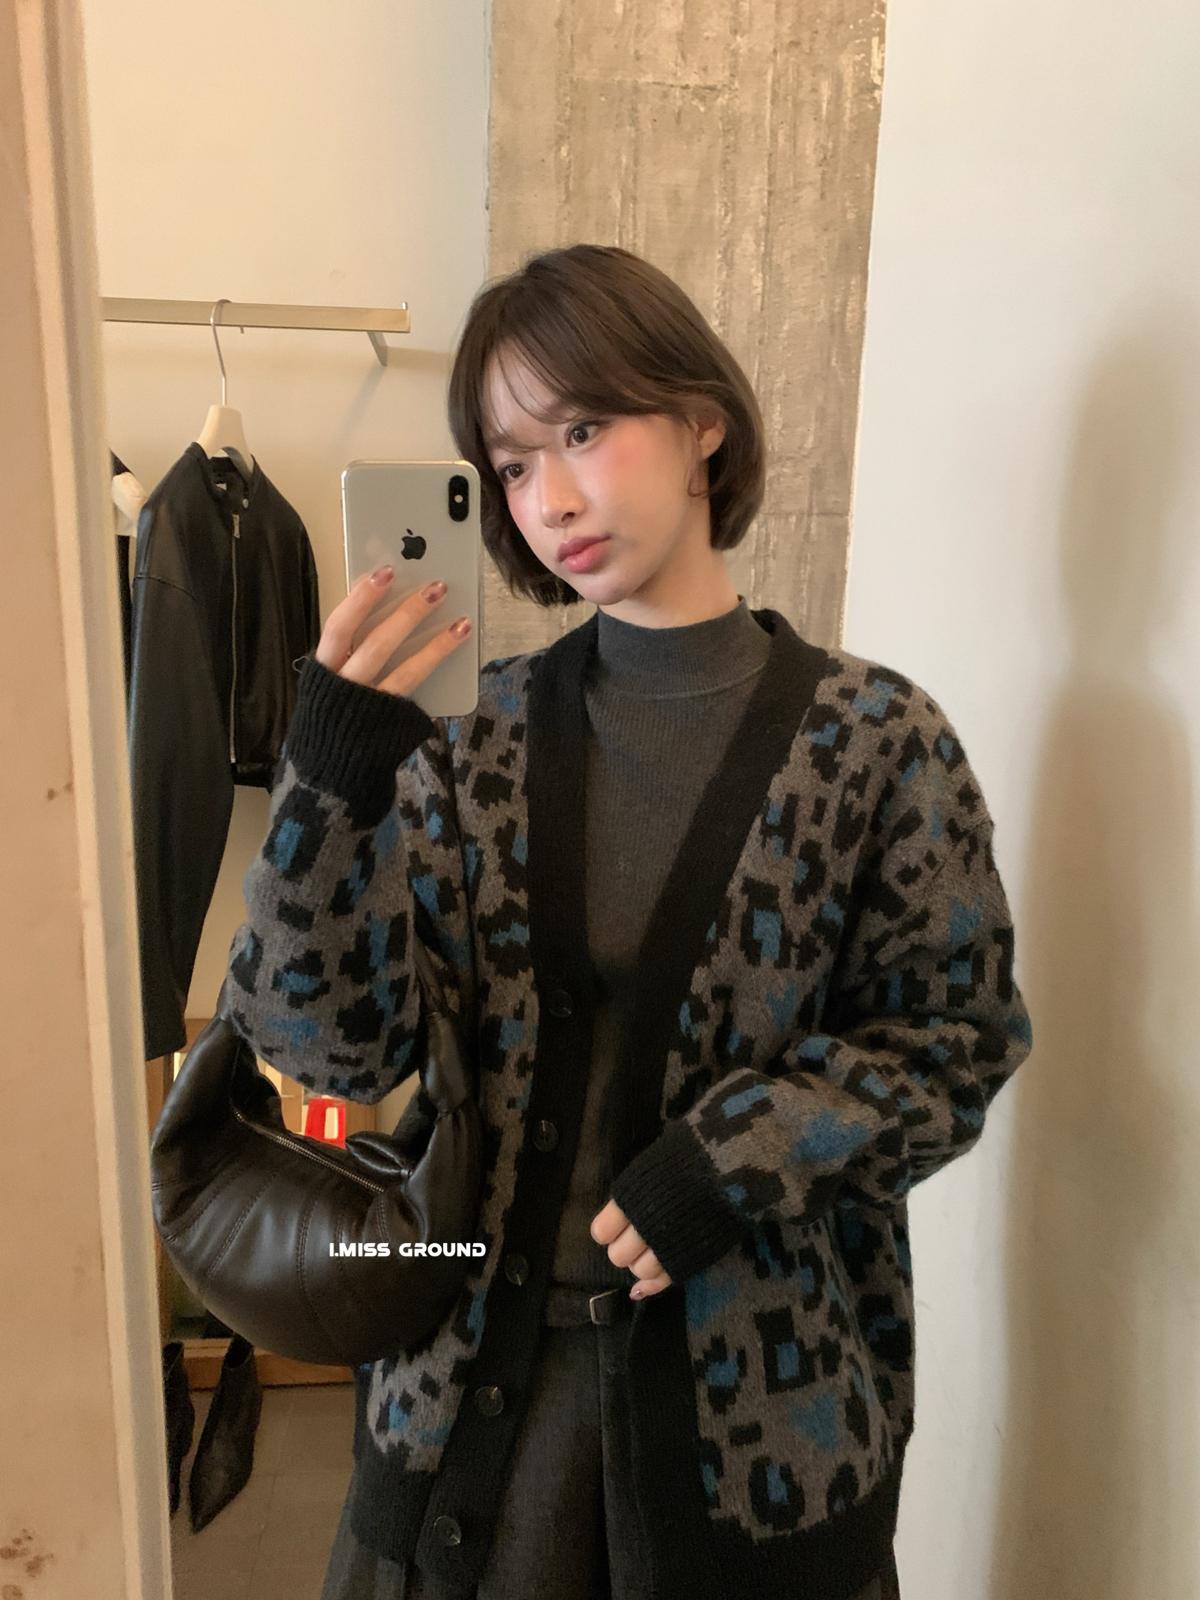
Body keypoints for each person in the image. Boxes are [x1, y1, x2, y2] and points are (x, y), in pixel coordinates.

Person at [222, 244, 1031, 1600]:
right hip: (467, 1419)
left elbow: (957, 1042)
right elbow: (334, 1052)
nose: (551, 499)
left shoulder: (878, 742)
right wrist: (331, 778)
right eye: (512, 464)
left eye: (585, 430)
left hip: (755, 1436)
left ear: (702, 419)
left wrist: (730, 1161)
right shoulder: (468, 744)